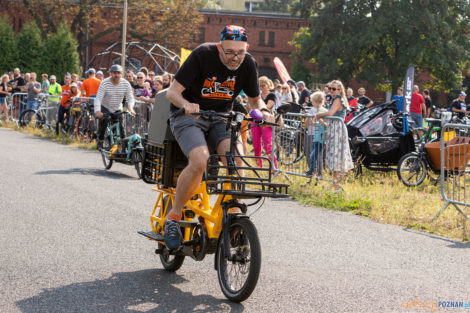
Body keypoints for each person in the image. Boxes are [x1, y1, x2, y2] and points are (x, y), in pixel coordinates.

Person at [163, 25, 274, 250]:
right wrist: (186, 104)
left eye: (240, 52)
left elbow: (254, 100)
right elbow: (172, 92)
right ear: (219, 47)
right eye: (230, 52)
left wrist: (264, 111)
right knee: (200, 160)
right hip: (190, 115)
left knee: (236, 159)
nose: (235, 58)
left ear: (247, 49)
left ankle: (235, 211)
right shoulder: (202, 55)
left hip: (222, 117)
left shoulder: (248, 63)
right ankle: (173, 218)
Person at [315, 80, 354, 193]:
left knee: (337, 157)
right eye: (330, 88)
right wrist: (323, 120)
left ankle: (337, 186)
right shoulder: (334, 99)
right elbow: (330, 117)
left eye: (334, 89)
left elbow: (331, 113)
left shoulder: (338, 99)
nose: (331, 90)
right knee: (334, 157)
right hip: (333, 128)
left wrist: (318, 115)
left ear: (339, 90)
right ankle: (336, 184)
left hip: (337, 130)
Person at [94, 64, 135, 148]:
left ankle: (124, 147)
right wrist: (98, 111)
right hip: (105, 107)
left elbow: (131, 98)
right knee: (103, 123)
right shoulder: (104, 83)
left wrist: (130, 107)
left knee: (122, 128)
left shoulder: (126, 84)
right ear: (110, 74)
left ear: (121, 74)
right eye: (114, 73)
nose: (116, 75)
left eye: (118, 73)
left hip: (117, 108)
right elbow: (98, 98)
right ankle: (100, 140)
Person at [250, 76, 278, 169]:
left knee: (268, 146)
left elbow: (268, 106)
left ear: (268, 85)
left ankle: (274, 168)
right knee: (256, 145)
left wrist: (259, 107)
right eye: (259, 86)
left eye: (263, 85)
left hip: (266, 121)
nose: (261, 88)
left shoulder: (271, 95)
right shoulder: (258, 95)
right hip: (255, 121)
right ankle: (259, 167)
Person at [305, 91, 327, 176]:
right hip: (311, 134)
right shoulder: (311, 110)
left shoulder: (324, 111)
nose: (312, 102)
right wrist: (308, 117)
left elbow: (323, 123)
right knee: (309, 154)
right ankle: (312, 171)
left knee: (317, 155)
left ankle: (318, 172)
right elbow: (308, 125)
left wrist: (312, 118)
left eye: (312, 101)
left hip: (319, 136)